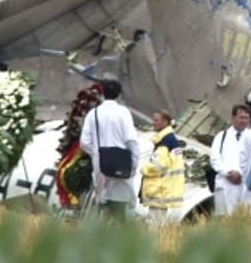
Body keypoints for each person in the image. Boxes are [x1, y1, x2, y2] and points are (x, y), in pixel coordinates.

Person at [79, 79, 139, 221]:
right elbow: (131, 140)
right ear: (119, 95)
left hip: (100, 163)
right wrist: (134, 163)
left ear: (102, 93)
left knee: (102, 199)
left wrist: (96, 153)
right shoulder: (123, 112)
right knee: (121, 203)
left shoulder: (93, 114)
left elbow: (84, 142)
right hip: (121, 163)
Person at [140, 109, 184, 221]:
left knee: (154, 228)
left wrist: (143, 169)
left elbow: (158, 166)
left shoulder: (165, 142)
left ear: (165, 122)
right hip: (164, 189)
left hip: (160, 190)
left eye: (156, 120)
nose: (153, 122)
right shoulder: (170, 140)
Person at [209, 104, 250, 215]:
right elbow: (214, 159)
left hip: (244, 184)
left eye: (246, 118)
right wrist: (228, 173)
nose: (244, 121)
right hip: (225, 183)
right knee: (224, 221)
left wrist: (240, 173)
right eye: (241, 117)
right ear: (233, 118)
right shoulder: (221, 136)